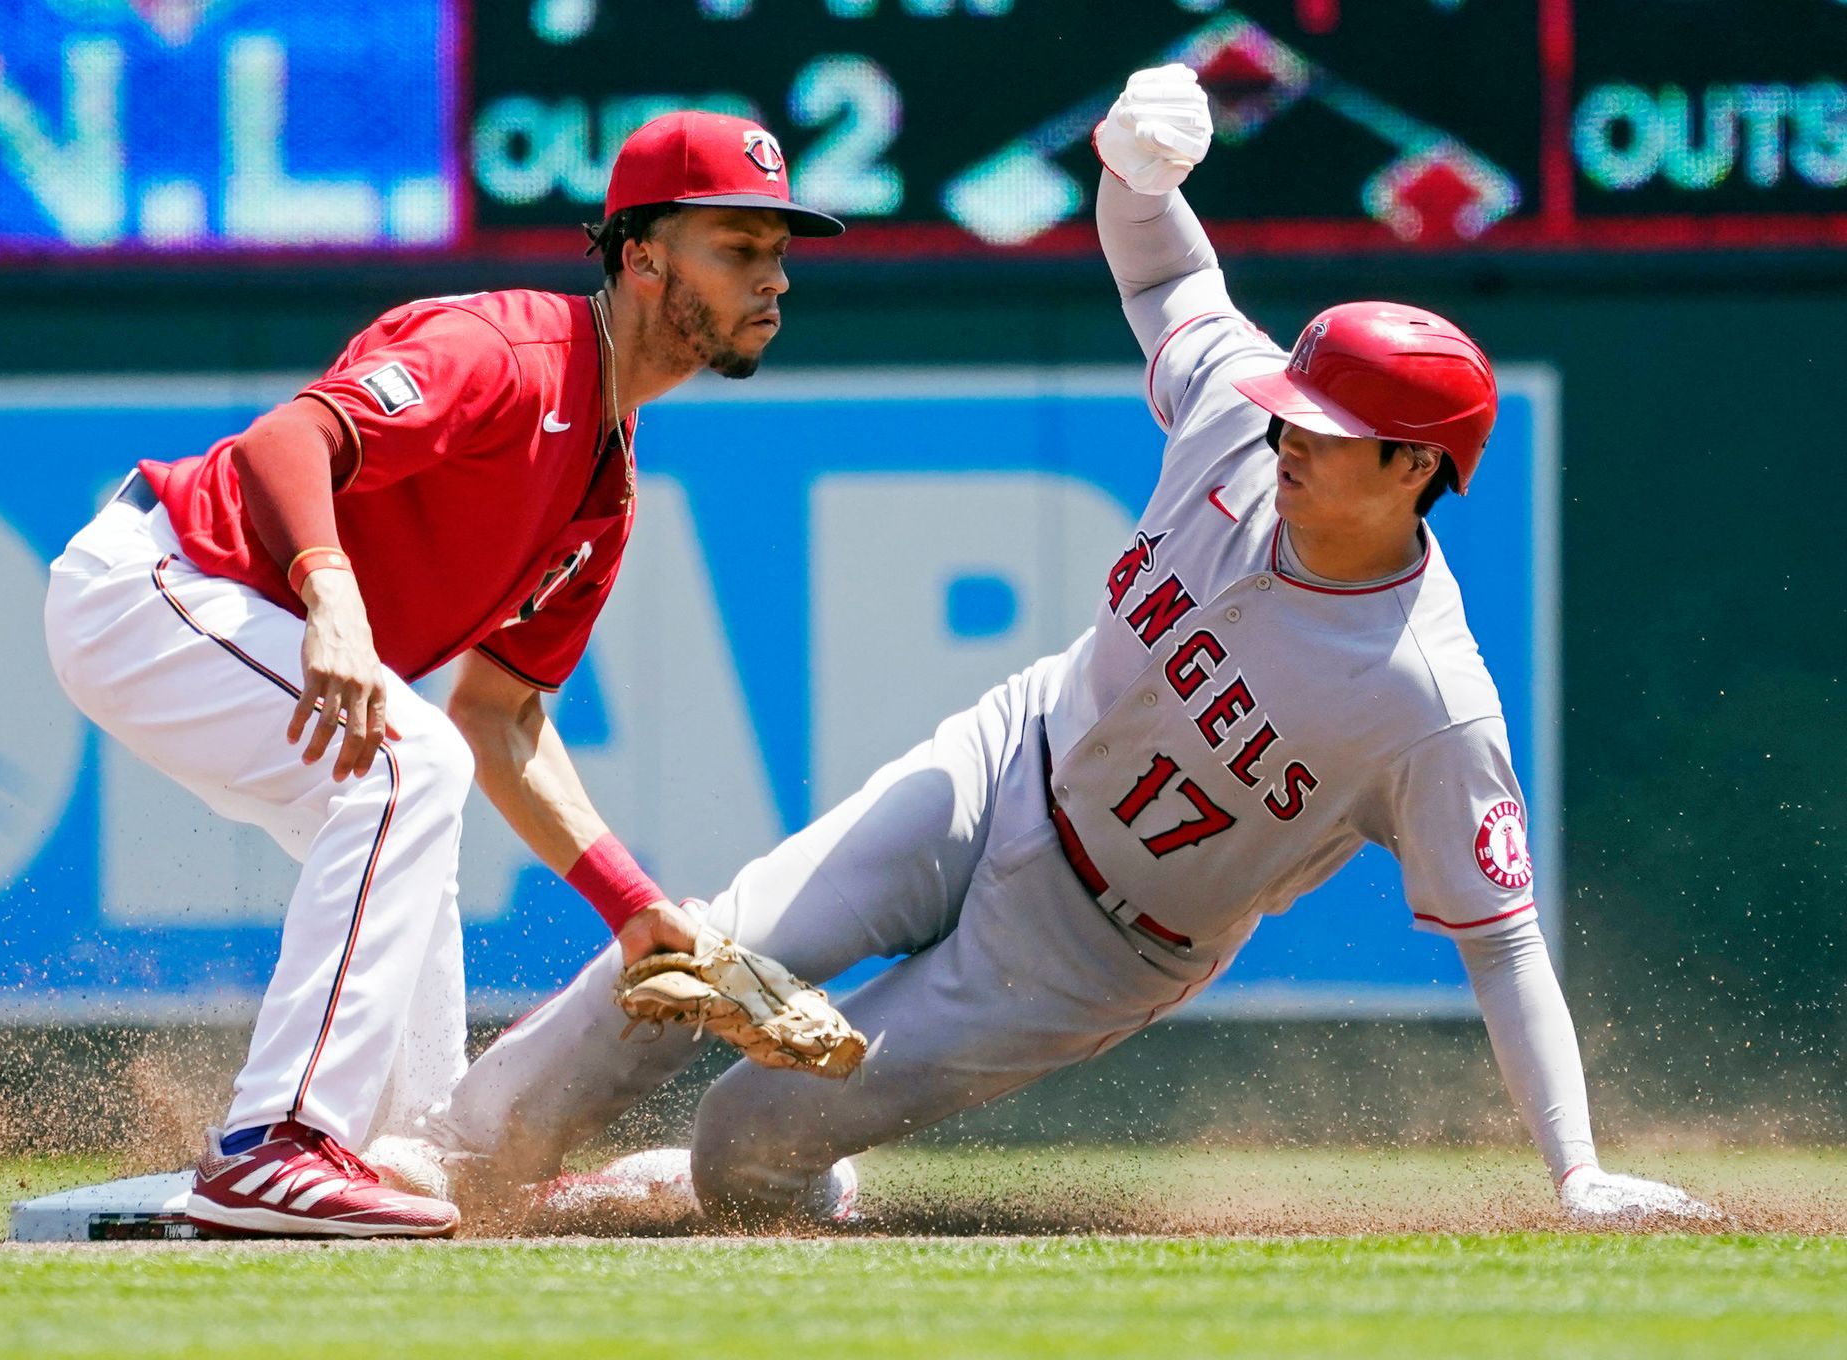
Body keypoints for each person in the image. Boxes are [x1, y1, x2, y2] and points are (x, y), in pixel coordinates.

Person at [409, 65, 1714, 1227]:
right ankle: (437, 1162)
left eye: (1323, 424)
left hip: (1102, 947)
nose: (1288, 432)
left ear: (1416, 464)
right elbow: (1161, 271)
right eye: (1292, 405)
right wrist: (1134, 170)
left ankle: (794, 1181)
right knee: (701, 955)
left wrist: (1575, 1170)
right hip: (1002, 765)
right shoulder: (1231, 423)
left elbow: (1503, 943)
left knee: (741, 1146)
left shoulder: (1426, 700)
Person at [41, 111, 842, 1237]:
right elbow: (288, 439)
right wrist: (330, 597)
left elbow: (501, 718)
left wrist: (634, 910)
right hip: (156, 583)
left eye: (779, 254)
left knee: (415, 803)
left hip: (258, 633)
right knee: (404, 767)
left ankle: (414, 1153)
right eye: (739, 247)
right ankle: (272, 1144)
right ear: (643, 253)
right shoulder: (511, 353)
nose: (773, 280)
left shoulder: (603, 498)